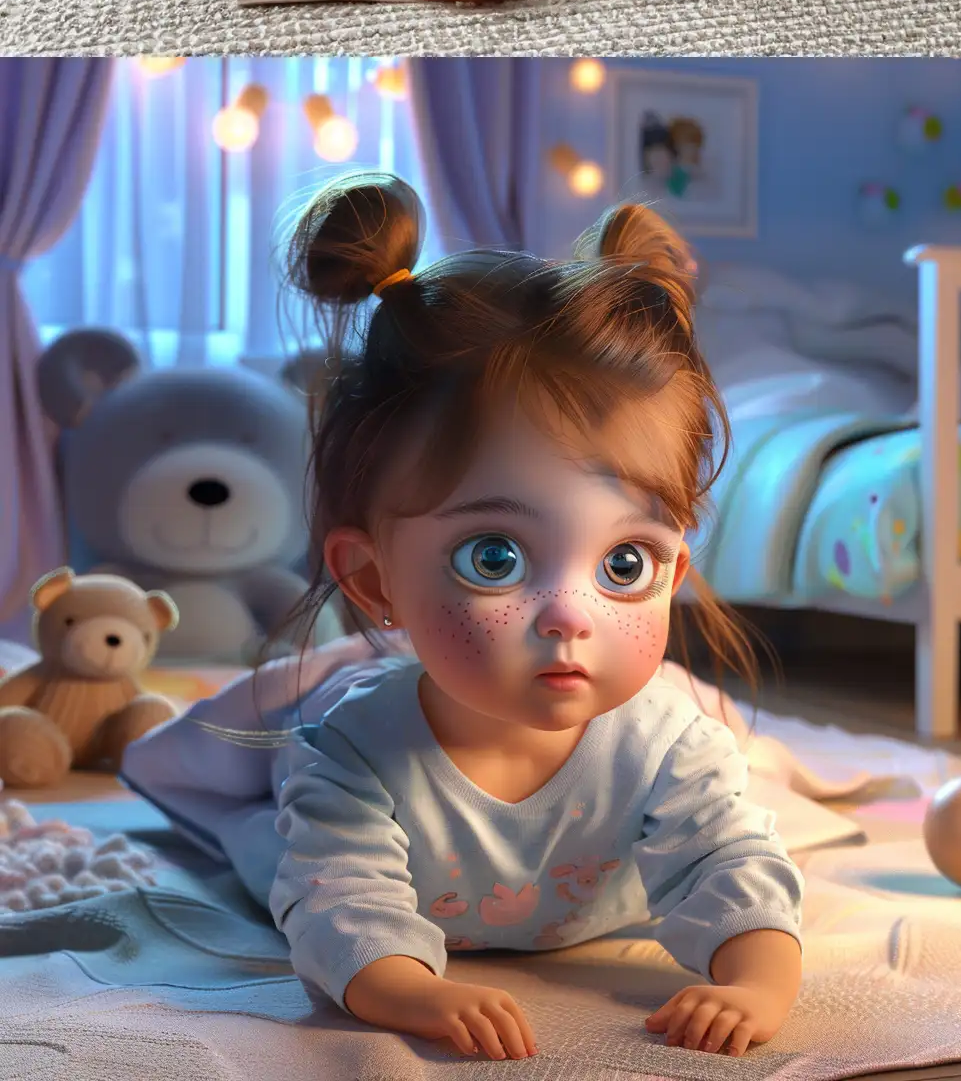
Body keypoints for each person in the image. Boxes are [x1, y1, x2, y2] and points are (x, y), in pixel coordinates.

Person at [128, 172, 803, 1062]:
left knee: (768, 789)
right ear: (372, 581)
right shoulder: (352, 753)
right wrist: (409, 989)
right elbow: (337, 899)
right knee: (261, 853)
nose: (569, 614)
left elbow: (733, 864)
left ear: (676, 565)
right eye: (495, 558)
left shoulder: (669, 742)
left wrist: (756, 981)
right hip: (337, 753)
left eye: (624, 563)